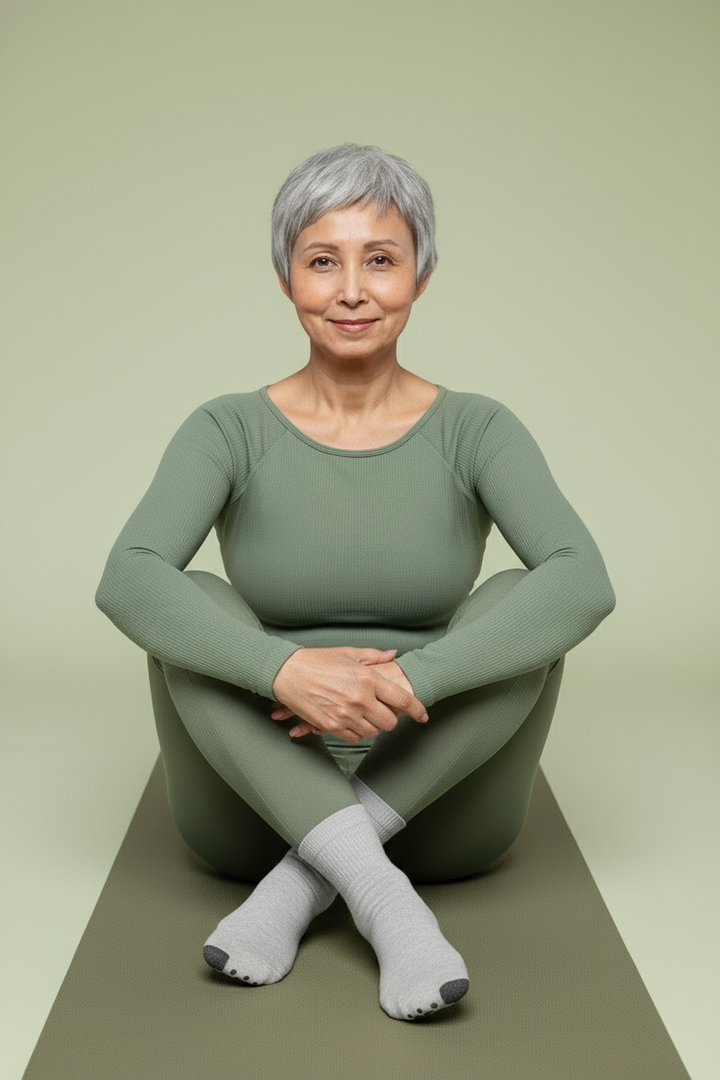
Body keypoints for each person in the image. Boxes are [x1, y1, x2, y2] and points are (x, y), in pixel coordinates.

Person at [96, 144, 615, 1021]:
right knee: (193, 606)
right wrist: (286, 672)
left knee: (524, 608)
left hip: (440, 797)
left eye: (381, 259)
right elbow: (127, 579)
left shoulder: (478, 427)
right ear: (285, 276)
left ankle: (308, 886)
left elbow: (585, 581)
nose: (352, 290)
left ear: (420, 274)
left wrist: (407, 680)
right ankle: (384, 898)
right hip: (253, 797)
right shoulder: (225, 427)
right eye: (322, 261)